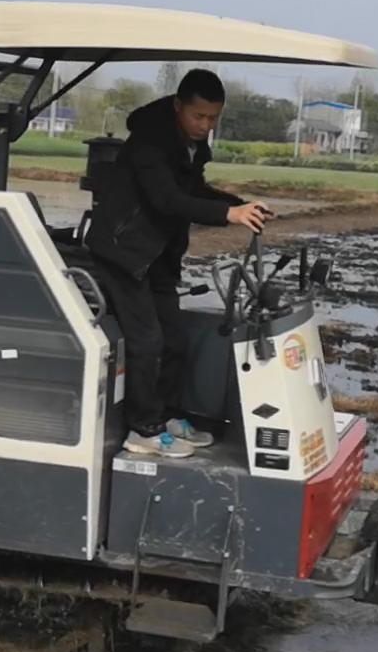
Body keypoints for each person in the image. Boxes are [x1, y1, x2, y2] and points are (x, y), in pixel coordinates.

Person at [85, 68, 275, 458]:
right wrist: (229, 216)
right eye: (198, 117)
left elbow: (193, 190)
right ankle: (143, 429)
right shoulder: (149, 143)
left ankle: (167, 415)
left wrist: (236, 204)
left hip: (157, 253)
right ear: (178, 106)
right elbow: (166, 200)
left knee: (174, 337)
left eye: (212, 119)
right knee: (147, 340)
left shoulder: (190, 144)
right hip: (123, 251)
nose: (205, 126)